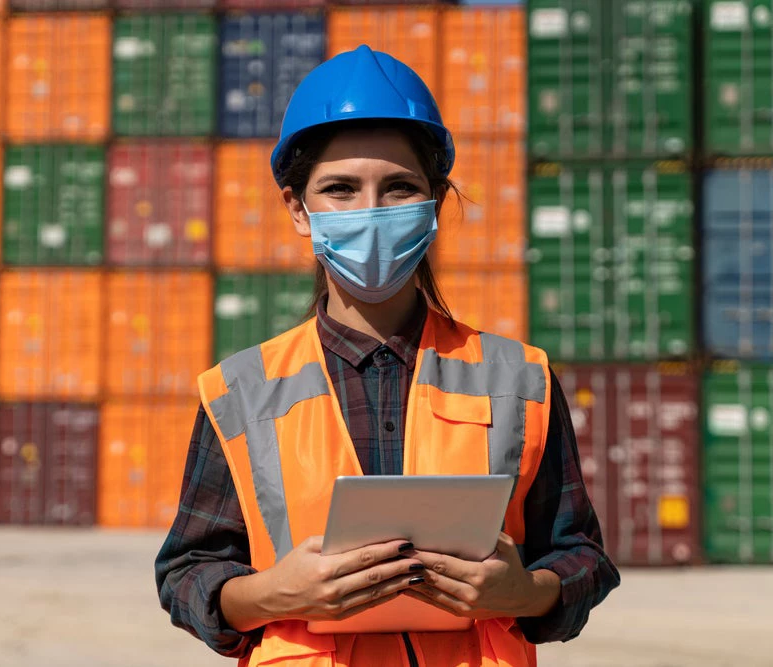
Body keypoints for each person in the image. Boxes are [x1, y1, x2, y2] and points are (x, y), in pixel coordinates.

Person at [155, 45, 620, 667]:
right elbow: (186, 574)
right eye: (340, 189)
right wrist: (272, 594)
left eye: (399, 188)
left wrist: (524, 591)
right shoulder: (240, 391)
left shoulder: (519, 379)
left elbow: (582, 558)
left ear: (433, 205)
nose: (370, 212)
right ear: (298, 209)